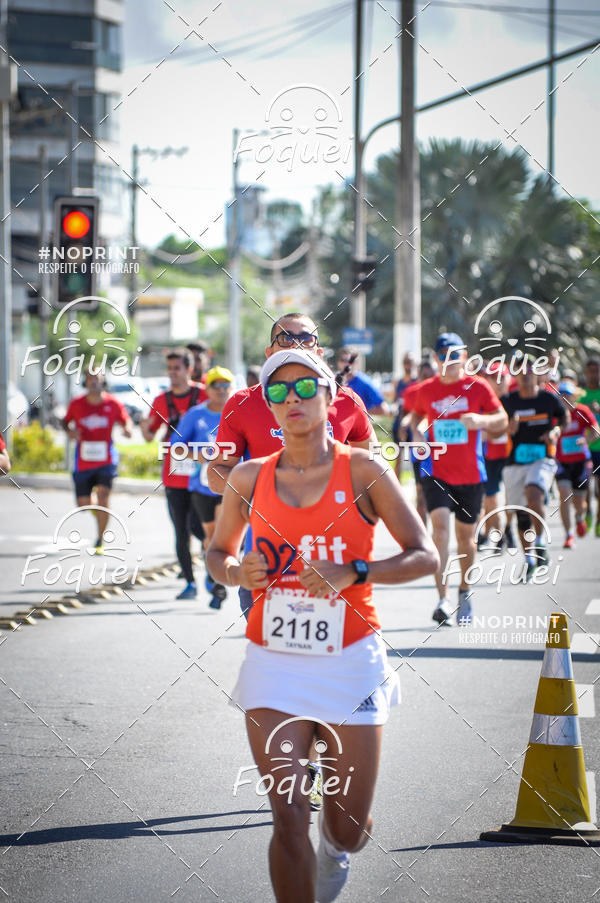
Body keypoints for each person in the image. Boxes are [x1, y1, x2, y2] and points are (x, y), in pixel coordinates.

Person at [206, 349, 438, 903]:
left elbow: (425, 555)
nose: (293, 400)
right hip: (273, 662)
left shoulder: (364, 470)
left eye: (305, 387)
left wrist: (355, 569)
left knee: (348, 829)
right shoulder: (247, 477)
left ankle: (336, 851)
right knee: (287, 817)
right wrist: (237, 570)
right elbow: (217, 553)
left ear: (331, 397)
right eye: (278, 392)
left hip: (350, 659)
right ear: (267, 406)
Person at [207, 312, 377, 620]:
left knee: (333, 658)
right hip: (267, 558)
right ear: (269, 352)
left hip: (334, 557)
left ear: (319, 352)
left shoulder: (348, 403)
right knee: (275, 657)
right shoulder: (243, 404)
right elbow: (216, 474)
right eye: (286, 337)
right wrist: (264, 487)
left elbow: (373, 471)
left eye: (306, 338)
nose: (296, 344)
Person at [410, 333, 507, 626]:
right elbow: (413, 417)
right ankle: (442, 600)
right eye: (444, 355)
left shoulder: (477, 387)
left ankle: (464, 590)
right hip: (436, 472)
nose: (450, 360)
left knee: (466, 539)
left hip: (471, 475)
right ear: (437, 359)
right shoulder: (426, 390)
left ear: (464, 357)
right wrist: (416, 433)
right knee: (439, 530)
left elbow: (501, 419)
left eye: (456, 354)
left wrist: (482, 422)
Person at [141, 349, 207, 599]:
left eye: (177, 368)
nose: (172, 373)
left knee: (202, 528)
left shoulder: (203, 395)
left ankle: (213, 573)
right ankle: (190, 582)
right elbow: (149, 436)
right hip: (173, 475)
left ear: (189, 370)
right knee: (181, 530)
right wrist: (145, 429)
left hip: (202, 475)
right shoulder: (161, 401)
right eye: (169, 369)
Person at [500, 357, 569, 578]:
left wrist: (555, 432)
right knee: (521, 514)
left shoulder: (549, 399)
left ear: (537, 373)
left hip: (543, 458)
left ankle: (539, 542)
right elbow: (496, 429)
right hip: (515, 462)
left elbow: (564, 418)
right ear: (515, 375)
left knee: (534, 493)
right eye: (519, 369)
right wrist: (507, 428)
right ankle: (529, 559)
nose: (525, 373)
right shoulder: (507, 401)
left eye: (529, 368)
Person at [176, 366, 235, 608]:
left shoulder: (238, 413)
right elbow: (176, 447)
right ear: (207, 389)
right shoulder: (195, 414)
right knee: (210, 538)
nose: (221, 391)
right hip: (201, 487)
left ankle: (219, 582)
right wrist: (198, 454)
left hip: (229, 486)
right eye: (216, 386)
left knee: (222, 535)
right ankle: (213, 575)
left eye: (225, 386)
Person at [63, 370, 132, 552]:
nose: (94, 382)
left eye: (97, 378)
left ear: (103, 381)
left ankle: (100, 540)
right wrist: (70, 432)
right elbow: (65, 421)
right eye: (90, 379)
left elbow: (126, 420)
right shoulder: (77, 403)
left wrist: (127, 429)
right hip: (83, 461)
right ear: (85, 382)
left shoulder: (113, 403)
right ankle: (95, 508)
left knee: (104, 496)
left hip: (106, 458)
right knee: (84, 505)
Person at [478, 361, 515, 553]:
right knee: (491, 499)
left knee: (511, 498)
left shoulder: (516, 399)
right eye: (493, 377)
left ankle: (507, 530)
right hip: (490, 457)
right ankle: (499, 535)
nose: (497, 382)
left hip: (513, 457)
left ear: (509, 379)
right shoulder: (483, 402)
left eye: (501, 377)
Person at [394, 358, 436, 523]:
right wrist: (403, 427)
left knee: (436, 496)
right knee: (420, 494)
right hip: (419, 450)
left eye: (429, 373)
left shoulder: (443, 391)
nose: (426, 377)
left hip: (443, 451)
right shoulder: (412, 392)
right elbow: (406, 413)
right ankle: (424, 536)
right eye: (423, 374)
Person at [555, 379, 596, 548]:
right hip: (562, 462)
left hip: (580, 462)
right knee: (564, 497)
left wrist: (585, 440)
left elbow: (596, 430)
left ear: (574, 396)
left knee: (579, 503)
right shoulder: (555, 414)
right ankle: (568, 534)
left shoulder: (582, 411)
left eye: (567, 395)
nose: (564, 399)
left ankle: (579, 517)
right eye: (561, 395)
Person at [336, 347, 389, 415]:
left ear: (356, 363)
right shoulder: (333, 380)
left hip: (357, 425)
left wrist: (359, 413)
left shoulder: (365, 382)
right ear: (338, 362)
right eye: (343, 360)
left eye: (350, 361)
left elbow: (384, 408)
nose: (346, 364)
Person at [581, 358, 600, 536]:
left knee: (599, 489)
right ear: (586, 373)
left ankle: (599, 521)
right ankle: (587, 513)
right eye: (591, 370)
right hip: (584, 447)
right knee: (585, 485)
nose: (594, 374)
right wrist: (587, 408)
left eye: (597, 370)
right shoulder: (581, 394)